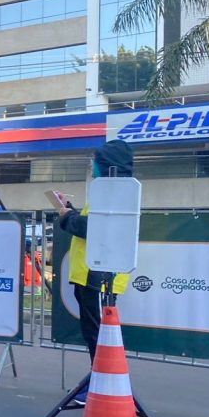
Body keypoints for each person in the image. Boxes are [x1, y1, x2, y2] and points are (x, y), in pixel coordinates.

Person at [57, 139, 133, 389]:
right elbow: (91, 223)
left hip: (99, 278)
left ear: (107, 165)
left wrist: (67, 218)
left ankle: (101, 385)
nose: (94, 168)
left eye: (96, 162)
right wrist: (70, 210)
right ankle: (98, 382)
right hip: (90, 276)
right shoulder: (108, 192)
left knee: (100, 336)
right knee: (95, 335)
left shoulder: (114, 194)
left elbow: (94, 229)